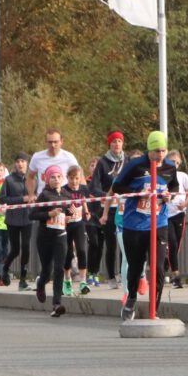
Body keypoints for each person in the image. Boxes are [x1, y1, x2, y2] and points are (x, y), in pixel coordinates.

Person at [112, 132, 177, 321]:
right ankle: (131, 299)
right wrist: (137, 192)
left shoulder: (169, 167)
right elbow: (117, 187)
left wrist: (170, 195)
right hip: (134, 225)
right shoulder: (135, 165)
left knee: (158, 268)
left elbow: (174, 186)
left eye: (163, 151)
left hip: (159, 224)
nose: (160, 155)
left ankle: (154, 309)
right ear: (149, 150)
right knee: (135, 266)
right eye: (156, 151)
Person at [88, 131, 127, 287]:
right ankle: (111, 277)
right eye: (114, 141)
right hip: (108, 208)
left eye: (119, 141)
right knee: (111, 244)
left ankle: (124, 274)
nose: (117, 144)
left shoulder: (127, 160)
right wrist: (106, 195)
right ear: (109, 144)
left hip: (124, 207)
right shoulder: (103, 163)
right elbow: (93, 186)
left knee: (125, 243)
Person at [32, 165, 72, 317]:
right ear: (48, 180)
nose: (56, 180)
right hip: (45, 237)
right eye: (53, 177)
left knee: (59, 268)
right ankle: (41, 283)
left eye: (58, 177)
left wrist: (70, 216)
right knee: (47, 271)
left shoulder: (67, 195)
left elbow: (69, 213)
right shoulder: (44, 195)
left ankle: (57, 304)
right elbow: (32, 215)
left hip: (60, 236)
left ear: (62, 178)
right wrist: (49, 214)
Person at [163, 150, 188, 289]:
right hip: (165, 214)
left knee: (176, 245)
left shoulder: (183, 176)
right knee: (172, 243)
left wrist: (185, 204)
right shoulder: (163, 175)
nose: (174, 164)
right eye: (171, 162)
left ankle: (164, 264)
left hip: (179, 213)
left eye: (176, 162)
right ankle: (176, 276)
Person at [63, 164, 93, 295]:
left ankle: (83, 282)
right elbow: (59, 205)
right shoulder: (63, 190)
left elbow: (84, 200)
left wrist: (86, 211)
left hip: (79, 223)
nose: (74, 181)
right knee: (68, 253)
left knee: (82, 250)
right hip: (66, 225)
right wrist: (64, 215)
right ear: (67, 178)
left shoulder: (83, 188)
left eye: (77, 178)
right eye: (71, 178)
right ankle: (67, 280)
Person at [26, 129, 79, 203]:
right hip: (43, 199)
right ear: (45, 142)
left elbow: (79, 176)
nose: (53, 145)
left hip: (64, 198)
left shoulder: (69, 157)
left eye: (55, 142)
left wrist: (82, 194)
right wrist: (31, 195)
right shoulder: (37, 157)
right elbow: (30, 177)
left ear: (61, 141)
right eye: (50, 142)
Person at [1, 155, 29, 288]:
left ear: (27, 163)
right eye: (17, 161)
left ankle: (23, 279)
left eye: (23, 161)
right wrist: (21, 199)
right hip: (13, 219)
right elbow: (2, 199)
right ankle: (5, 269)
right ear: (15, 164)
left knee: (26, 247)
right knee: (15, 250)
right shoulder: (9, 180)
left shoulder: (32, 179)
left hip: (28, 218)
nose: (20, 164)